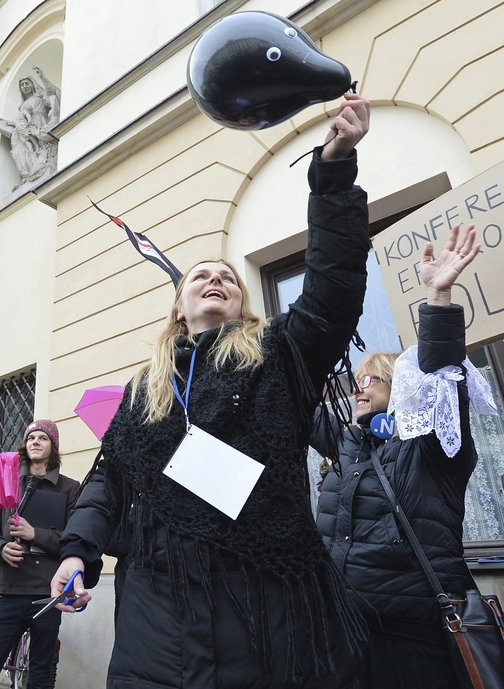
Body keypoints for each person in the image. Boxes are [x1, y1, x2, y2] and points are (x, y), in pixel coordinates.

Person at [52, 94, 373, 689]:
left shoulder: (279, 354)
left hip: (262, 611)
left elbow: (333, 290)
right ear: (180, 305)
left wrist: (332, 175)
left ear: (241, 302)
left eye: (227, 276)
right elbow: (107, 480)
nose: (216, 278)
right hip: (156, 619)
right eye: (200, 274)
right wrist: (78, 551)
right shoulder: (146, 386)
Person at [315, 224, 487, 689]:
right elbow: (286, 401)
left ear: (398, 386)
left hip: (414, 639)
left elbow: (441, 374)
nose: (357, 387)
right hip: (345, 633)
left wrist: (439, 298)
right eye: (355, 380)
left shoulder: (428, 447)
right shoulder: (348, 441)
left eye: (369, 379)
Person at [0, 420, 81, 689]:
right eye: (31, 437)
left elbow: (75, 539)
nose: (36, 442)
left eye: (43, 437)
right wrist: (1, 548)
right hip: (10, 591)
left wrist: (35, 534)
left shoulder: (70, 488)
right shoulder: (8, 483)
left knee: (40, 677)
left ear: (53, 447)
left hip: (47, 595)